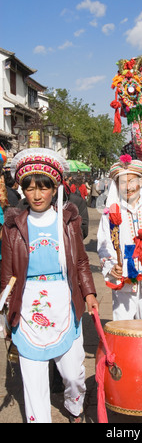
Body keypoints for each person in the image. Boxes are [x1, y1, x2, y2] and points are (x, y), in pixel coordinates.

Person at [1, 148, 99, 423]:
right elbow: (6, 274)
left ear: (55, 188)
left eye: (43, 188)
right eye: (30, 188)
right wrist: (7, 310)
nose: (36, 195)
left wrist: (89, 293)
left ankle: (73, 403)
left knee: (73, 374)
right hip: (29, 305)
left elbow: (80, 262)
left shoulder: (67, 222)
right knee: (33, 381)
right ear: (23, 191)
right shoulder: (13, 227)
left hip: (63, 301)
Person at [97, 155, 142, 321]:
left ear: (140, 182)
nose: (128, 187)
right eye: (123, 182)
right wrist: (111, 266)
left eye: (132, 181)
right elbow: (104, 244)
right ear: (116, 185)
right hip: (124, 278)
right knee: (123, 324)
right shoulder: (111, 211)